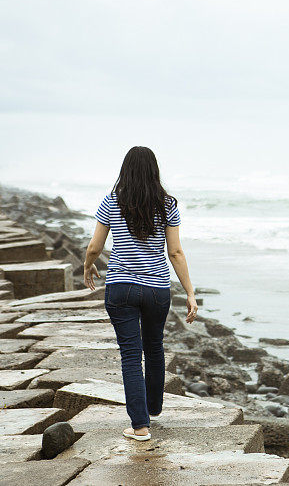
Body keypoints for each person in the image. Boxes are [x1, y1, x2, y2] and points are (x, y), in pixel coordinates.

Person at [83, 146, 199, 441]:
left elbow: (95, 247)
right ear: (153, 171)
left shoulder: (112, 202)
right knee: (154, 346)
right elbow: (175, 252)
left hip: (122, 288)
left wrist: (87, 266)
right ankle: (153, 408)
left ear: (126, 170)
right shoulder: (167, 204)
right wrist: (190, 292)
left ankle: (140, 425)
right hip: (157, 289)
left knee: (131, 355)